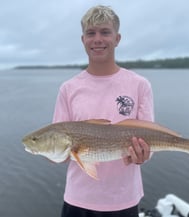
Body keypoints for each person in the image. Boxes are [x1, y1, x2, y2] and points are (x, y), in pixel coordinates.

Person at [53, 5, 154, 217]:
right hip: (78, 200)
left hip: (124, 200)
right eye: (91, 33)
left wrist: (143, 154)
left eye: (105, 32)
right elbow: (60, 152)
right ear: (83, 40)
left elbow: (149, 141)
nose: (97, 39)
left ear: (117, 38)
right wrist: (46, 149)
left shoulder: (139, 85)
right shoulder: (68, 89)